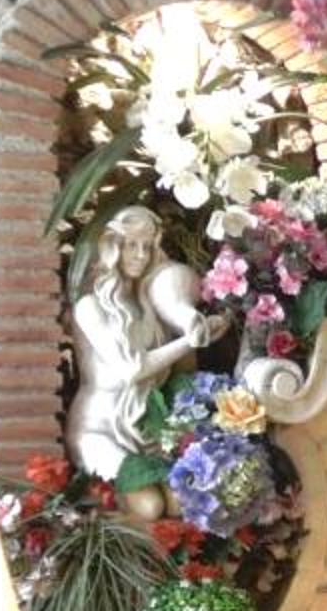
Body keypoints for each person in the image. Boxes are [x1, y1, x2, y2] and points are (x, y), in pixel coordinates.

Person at [68, 205, 225, 480]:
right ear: (114, 247)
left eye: (148, 247)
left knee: (179, 497)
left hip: (148, 431)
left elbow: (184, 373)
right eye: (131, 245)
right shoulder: (89, 306)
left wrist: (198, 326)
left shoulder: (150, 309)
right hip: (99, 430)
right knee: (149, 501)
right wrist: (190, 341)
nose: (141, 255)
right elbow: (131, 370)